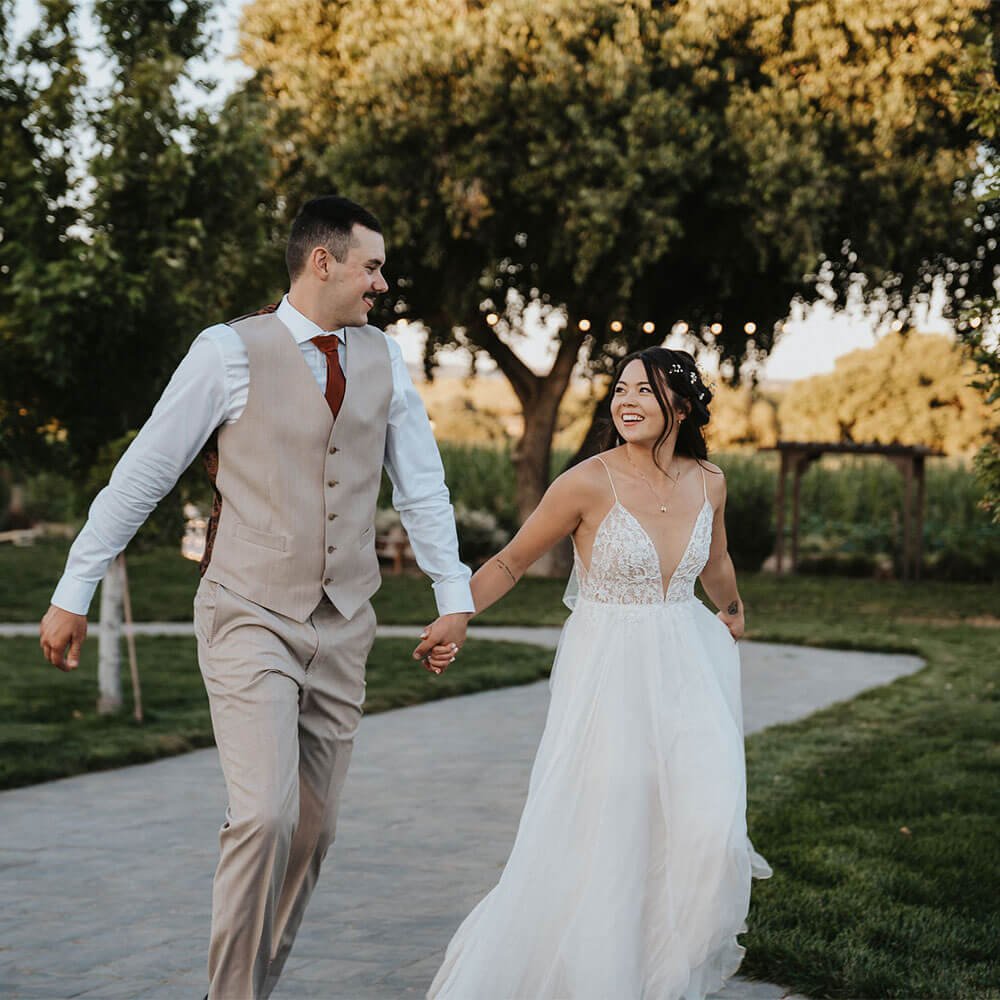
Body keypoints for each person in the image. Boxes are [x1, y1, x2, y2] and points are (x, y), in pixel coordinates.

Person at [39, 196, 473, 999]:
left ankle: (252, 988)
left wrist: (453, 594)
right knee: (265, 816)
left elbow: (422, 487)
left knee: (313, 831)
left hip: (345, 620)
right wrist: (75, 588)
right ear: (323, 262)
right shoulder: (227, 352)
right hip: (247, 610)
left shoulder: (384, 357)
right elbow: (143, 473)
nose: (382, 283)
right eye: (372, 267)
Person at [424, 347, 771, 1000]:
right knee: (613, 822)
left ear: (682, 407)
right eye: (620, 390)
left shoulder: (710, 481)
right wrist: (456, 615)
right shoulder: (585, 482)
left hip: (689, 663)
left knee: (706, 821)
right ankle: (599, 974)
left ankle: (664, 965)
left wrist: (730, 610)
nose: (627, 402)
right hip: (608, 670)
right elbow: (511, 561)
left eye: (645, 390)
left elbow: (717, 559)